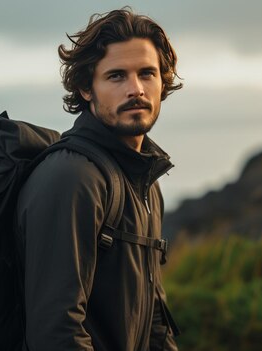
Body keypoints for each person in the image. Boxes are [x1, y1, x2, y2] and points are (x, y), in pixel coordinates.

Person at [15, 8, 182, 351]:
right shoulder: (73, 177)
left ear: (162, 81)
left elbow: (153, 316)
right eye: (117, 76)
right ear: (85, 88)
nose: (136, 89)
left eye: (147, 73)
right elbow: (57, 332)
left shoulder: (145, 179)